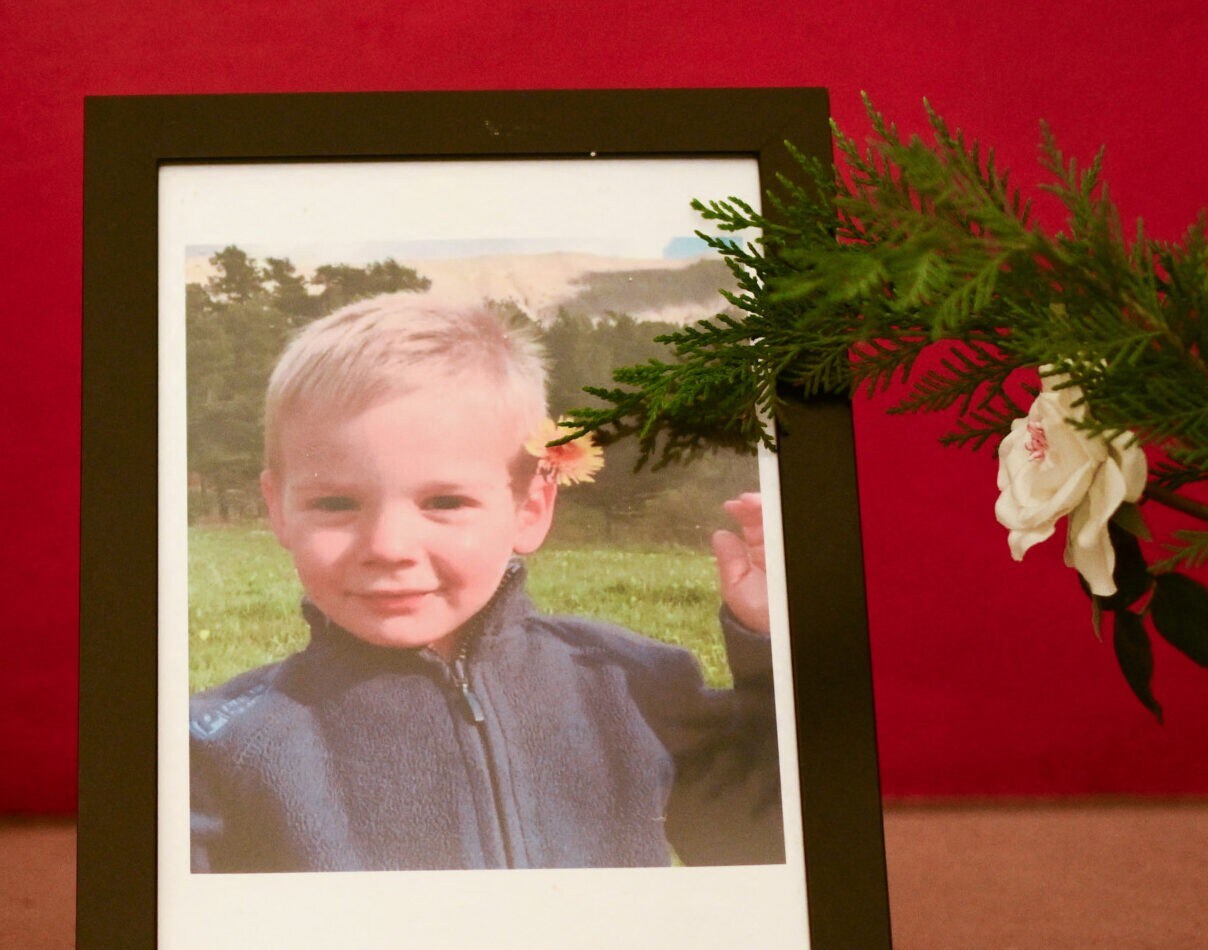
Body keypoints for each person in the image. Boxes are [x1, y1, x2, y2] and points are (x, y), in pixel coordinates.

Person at [189, 293, 782, 873]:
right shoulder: (217, 747)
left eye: (444, 501)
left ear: (530, 508)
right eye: (336, 503)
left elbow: (767, 847)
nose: (387, 547)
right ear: (279, 509)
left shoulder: (637, 686)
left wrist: (771, 645)